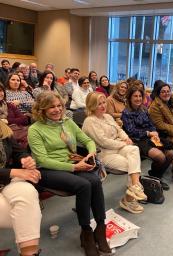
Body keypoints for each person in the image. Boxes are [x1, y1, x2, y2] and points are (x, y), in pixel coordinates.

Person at [27, 91, 112, 256]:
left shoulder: (67, 122)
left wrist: (91, 153)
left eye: (59, 106)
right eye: (52, 107)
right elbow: (43, 160)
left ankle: (100, 228)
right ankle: (86, 232)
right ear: (42, 109)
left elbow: (87, 140)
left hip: (73, 162)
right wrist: (75, 168)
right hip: (48, 170)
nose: (57, 110)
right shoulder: (35, 130)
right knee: (83, 185)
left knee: (94, 181)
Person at [82, 92, 147, 214]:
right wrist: (123, 143)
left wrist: (126, 138)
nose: (102, 106)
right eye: (98, 104)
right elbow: (103, 142)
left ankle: (134, 188)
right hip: (105, 154)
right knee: (133, 166)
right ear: (91, 106)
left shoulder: (108, 117)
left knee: (134, 150)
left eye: (103, 102)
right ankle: (128, 199)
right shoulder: (90, 121)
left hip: (119, 147)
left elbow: (119, 130)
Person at [0, 121, 42, 256]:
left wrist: (25, 159)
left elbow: (19, 151)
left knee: (27, 192)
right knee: (24, 214)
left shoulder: (2, 128)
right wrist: (15, 172)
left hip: (5, 181)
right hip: (7, 176)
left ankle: (29, 253)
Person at [122, 86, 173, 190]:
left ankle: (155, 177)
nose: (138, 98)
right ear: (130, 98)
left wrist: (154, 132)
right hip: (138, 140)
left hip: (150, 136)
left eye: (140, 96)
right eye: (135, 96)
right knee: (160, 156)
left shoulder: (144, 109)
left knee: (170, 154)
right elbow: (132, 131)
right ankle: (154, 177)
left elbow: (151, 123)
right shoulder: (126, 113)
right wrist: (148, 133)